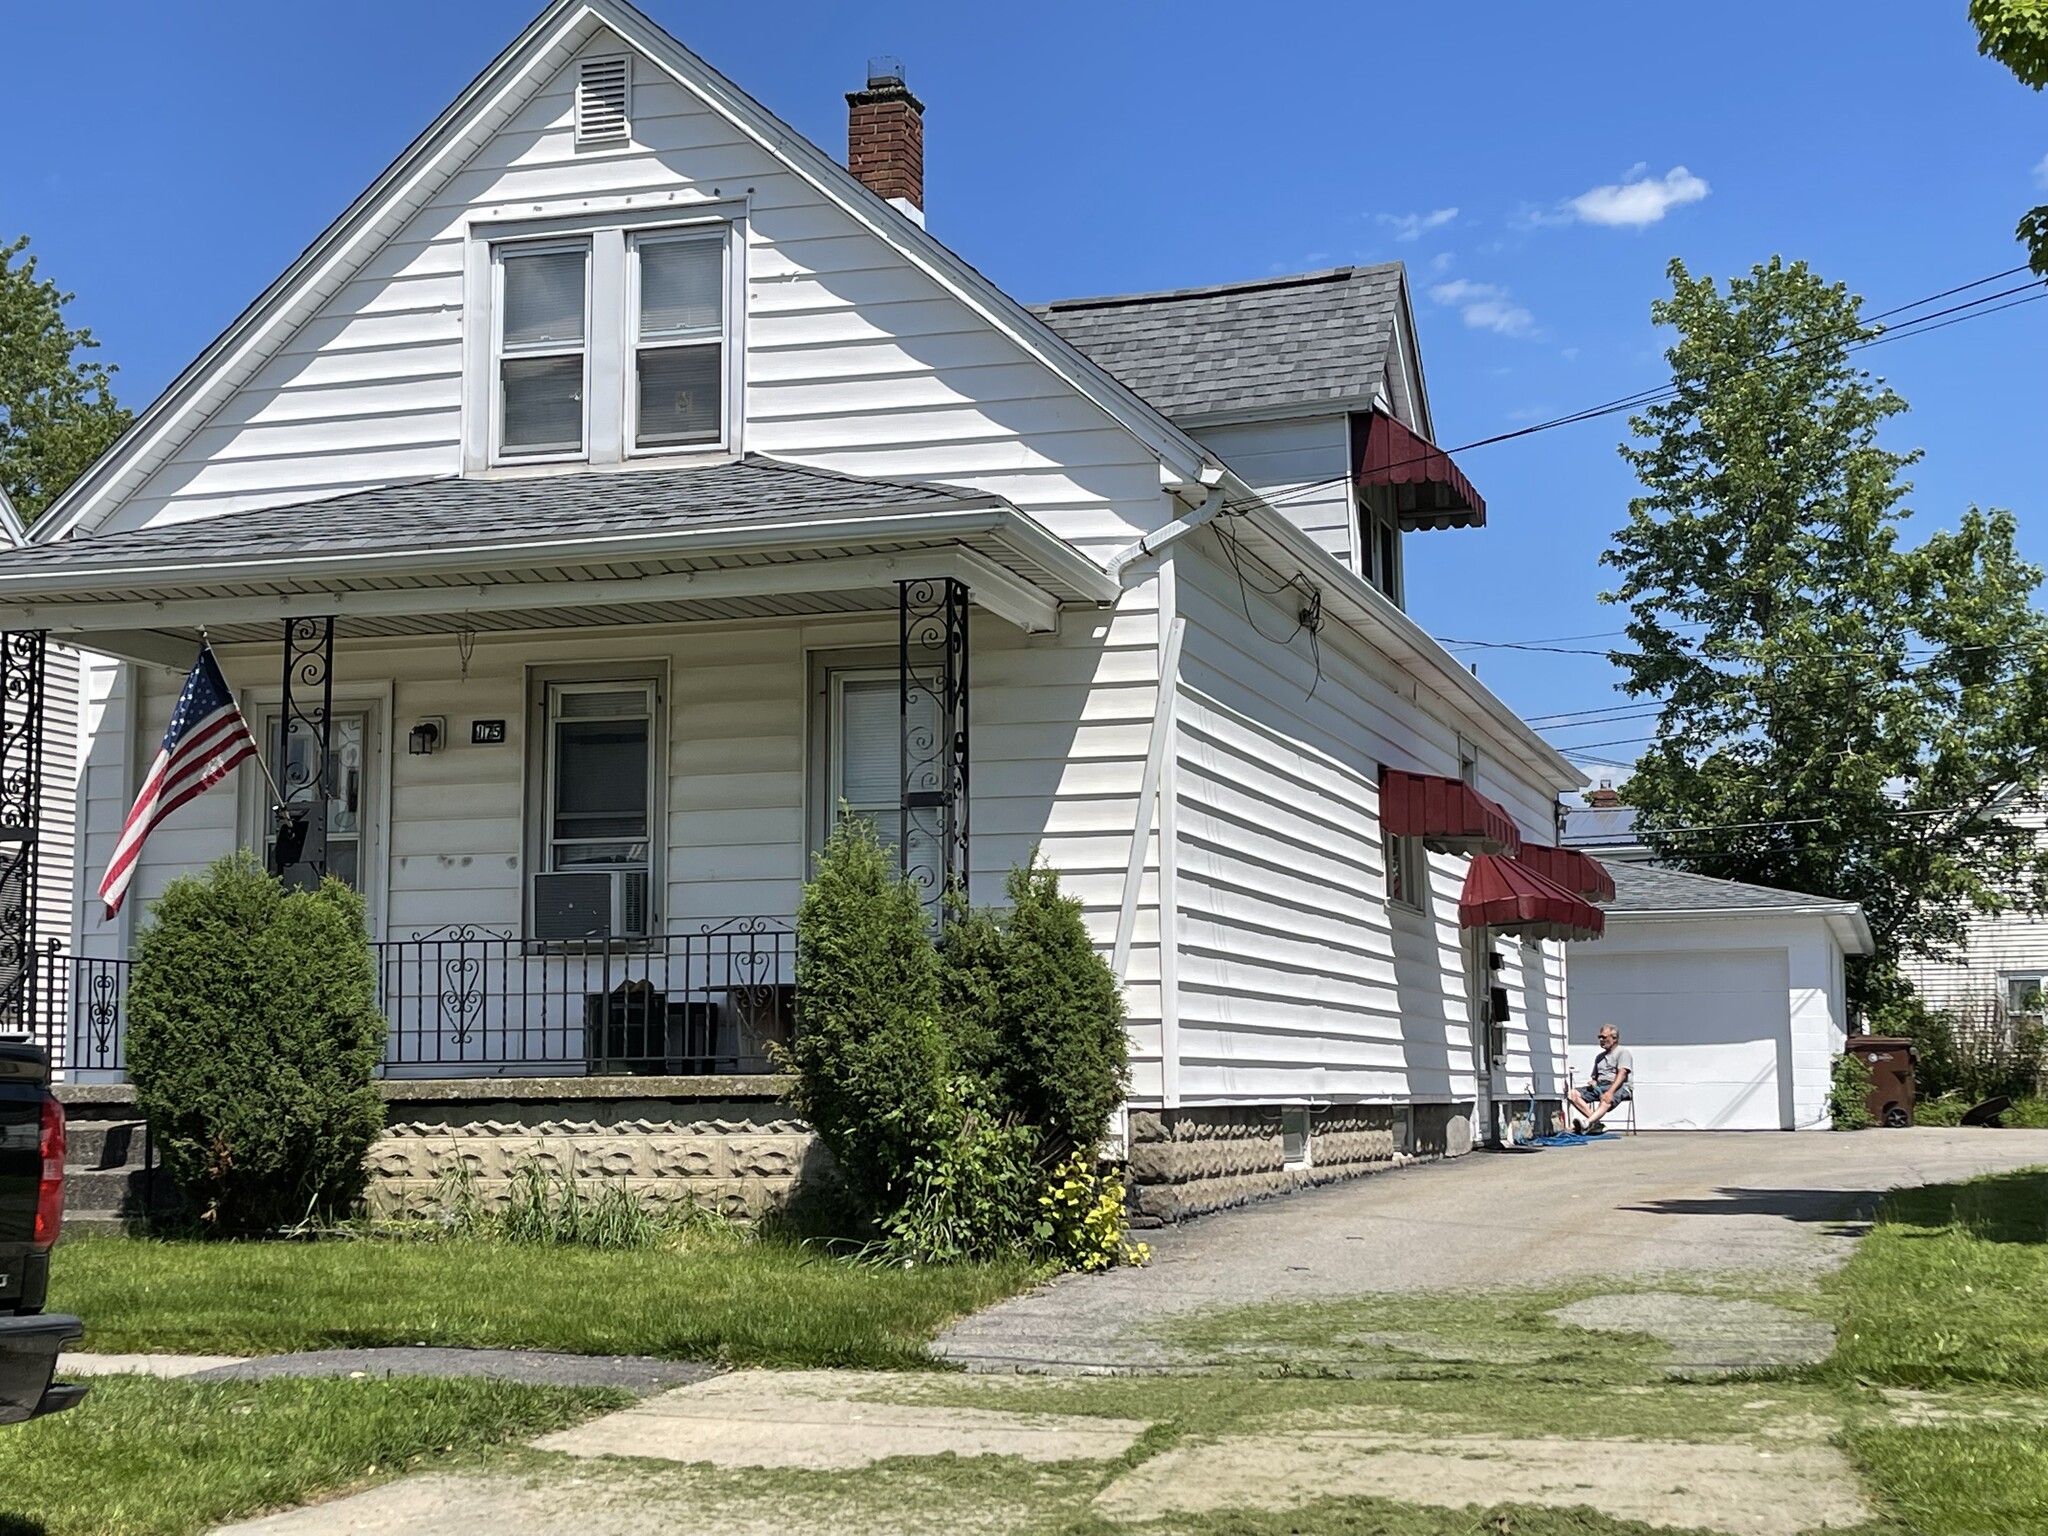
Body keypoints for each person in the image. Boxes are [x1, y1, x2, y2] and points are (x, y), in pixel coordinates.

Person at [1566, 1026, 1633, 1133]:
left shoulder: (1622, 1052)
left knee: (1606, 1099)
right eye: (1599, 1037)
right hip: (1600, 1086)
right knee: (1572, 1094)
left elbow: (1622, 1074)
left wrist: (1610, 1092)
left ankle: (1588, 1123)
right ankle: (1595, 1125)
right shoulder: (1599, 1057)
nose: (1601, 1040)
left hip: (1619, 1086)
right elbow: (1595, 1077)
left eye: (1604, 1037)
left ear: (1614, 1038)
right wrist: (1593, 1082)